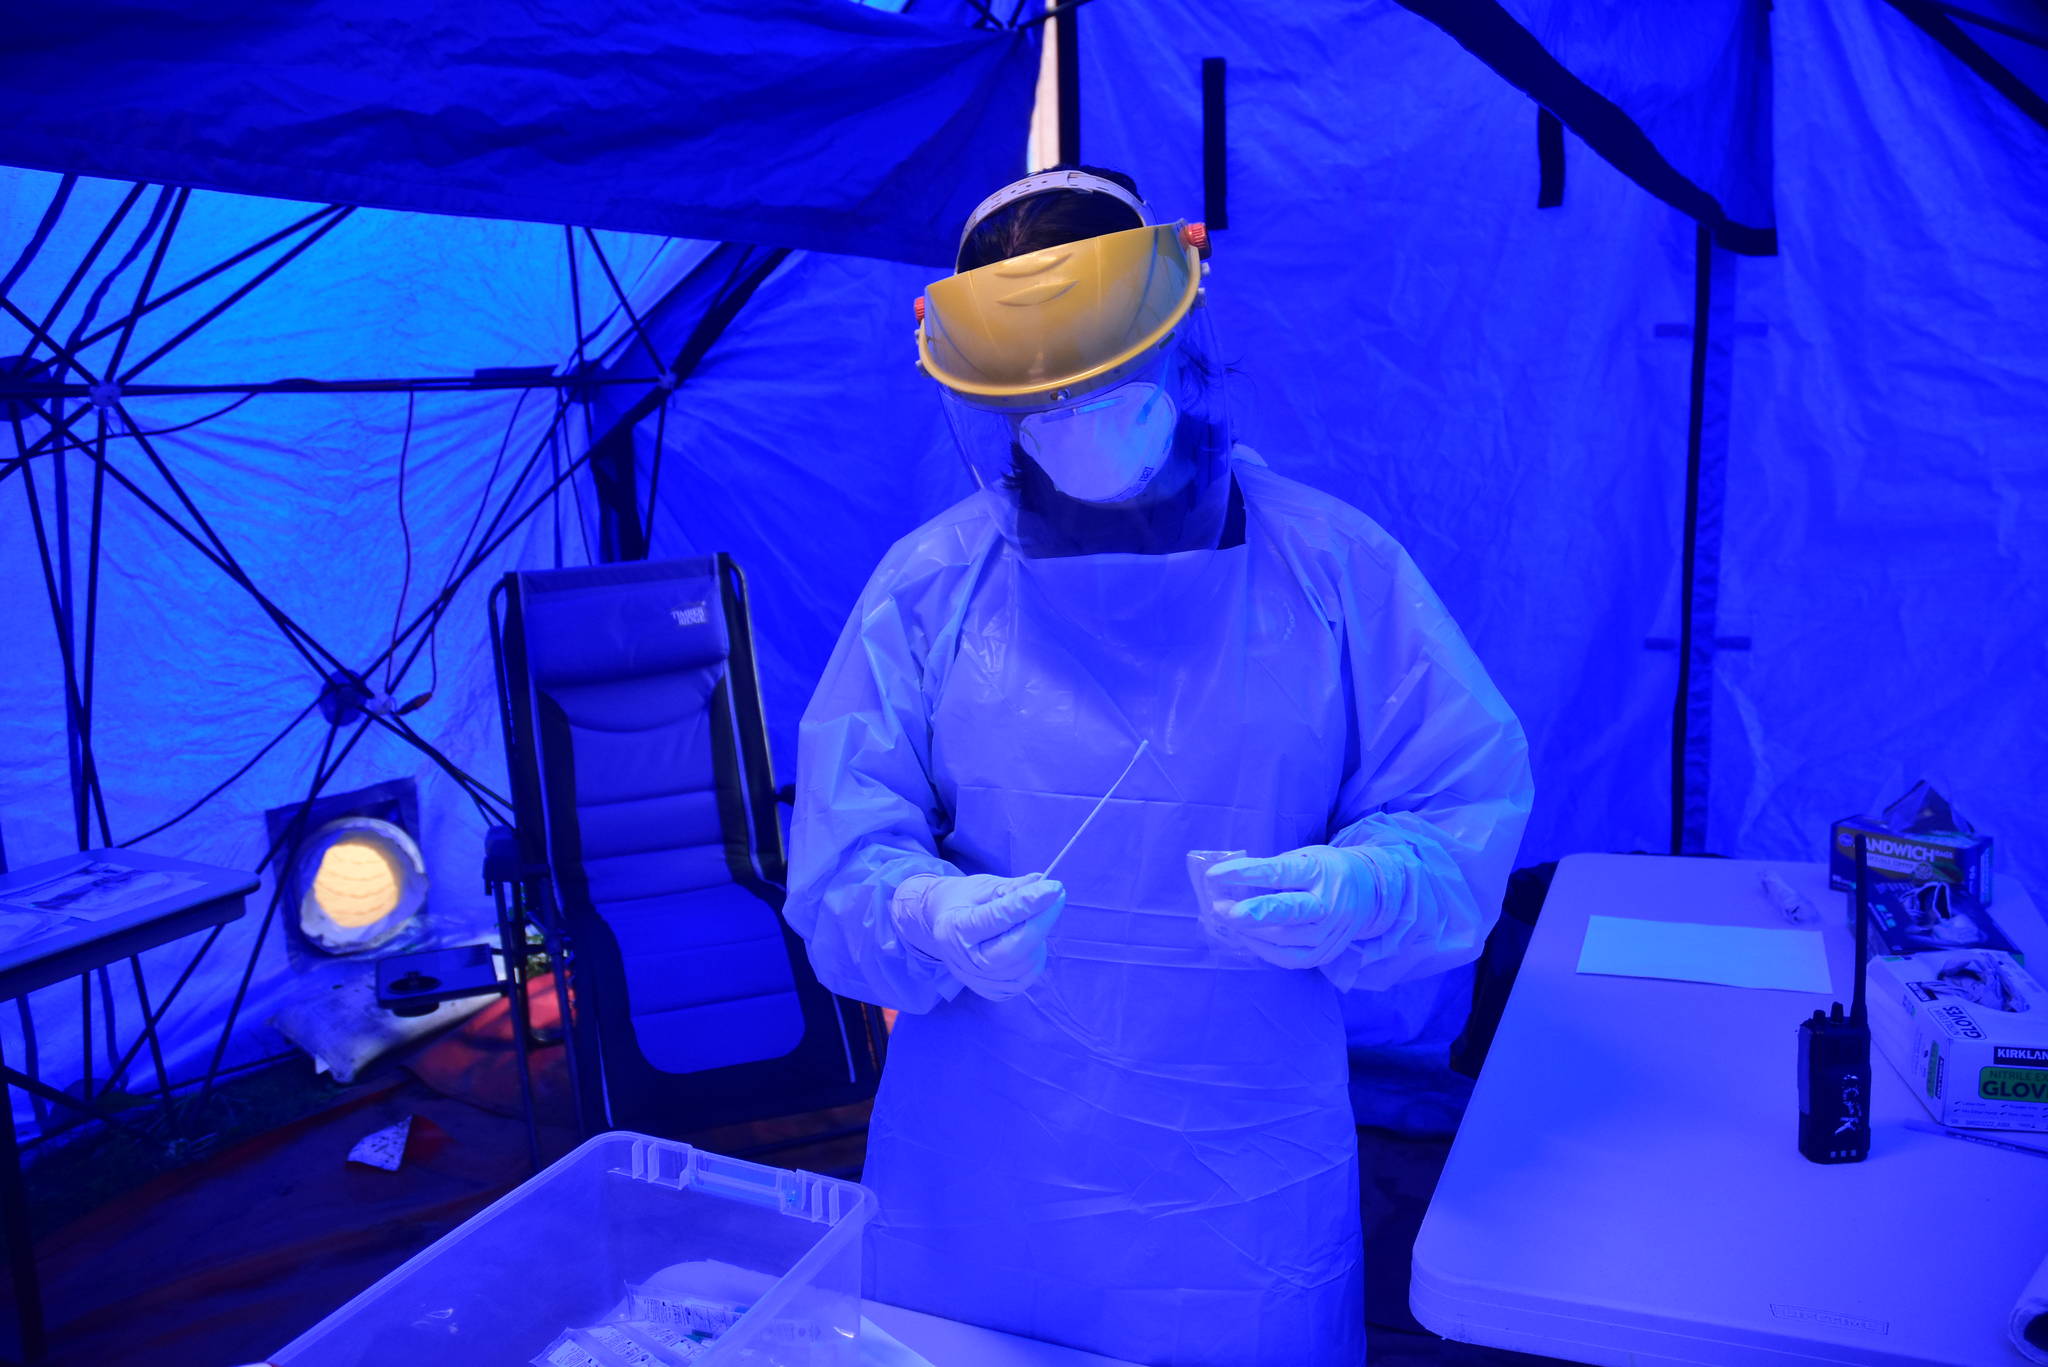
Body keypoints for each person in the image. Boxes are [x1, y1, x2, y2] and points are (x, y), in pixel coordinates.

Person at [785, 165, 1533, 1366]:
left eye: (1107, 385)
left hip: (1232, 1181)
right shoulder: (932, 589)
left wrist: (1366, 886)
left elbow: (1456, 806)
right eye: (1045, 406)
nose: (1081, 420)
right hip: (983, 1163)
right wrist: (920, 912)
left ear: (1180, 352)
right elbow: (838, 863)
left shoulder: (1331, 572)